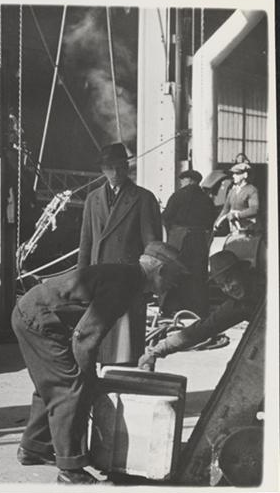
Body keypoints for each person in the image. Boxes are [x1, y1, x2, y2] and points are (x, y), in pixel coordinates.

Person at [12, 242, 186, 484]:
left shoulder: (129, 279)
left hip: (35, 313)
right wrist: (88, 380)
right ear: (160, 270)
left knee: (52, 384)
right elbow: (84, 337)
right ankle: (71, 471)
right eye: (174, 277)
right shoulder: (124, 284)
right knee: (69, 389)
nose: (174, 284)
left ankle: (33, 447)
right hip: (37, 319)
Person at [78, 142, 163, 364]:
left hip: (128, 279)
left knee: (126, 343)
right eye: (110, 168)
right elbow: (86, 243)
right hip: (99, 278)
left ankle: (126, 374)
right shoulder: (93, 199)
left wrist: (149, 282)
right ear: (102, 170)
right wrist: (81, 281)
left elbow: (152, 246)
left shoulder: (143, 198)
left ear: (127, 168)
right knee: (101, 338)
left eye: (120, 167)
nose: (115, 173)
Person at [138, 250, 265, 370]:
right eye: (222, 285)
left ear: (242, 272)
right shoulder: (238, 305)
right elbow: (202, 329)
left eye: (229, 280)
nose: (228, 288)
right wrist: (157, 351)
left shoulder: (268, 286)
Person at [160, 169, 215, 317]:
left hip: (179, 239)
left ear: (189, 180)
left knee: (175, 270)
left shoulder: (178, 195)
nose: (181, 183)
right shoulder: (206, 198)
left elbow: (166, 216)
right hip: (199, 240)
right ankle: (198, 309)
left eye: (183, 180)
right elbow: (210, 221)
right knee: (198, 274)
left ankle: (172, 308)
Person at [213, 162, 260, 235]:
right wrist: (216, 223)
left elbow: (254, 209)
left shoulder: (251, 190)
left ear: (245, 175)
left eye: (237, 174)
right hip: (234, 229)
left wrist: (237, 215)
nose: (233, 176)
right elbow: (225, 210)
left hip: (248, 231)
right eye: (233, 174)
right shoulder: (232, 191)